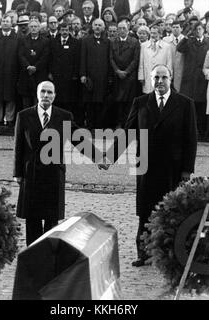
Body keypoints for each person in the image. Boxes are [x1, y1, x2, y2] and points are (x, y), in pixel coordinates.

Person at [99, 65, 197, 267]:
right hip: (146, 166)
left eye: (163, 77)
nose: (160, 81)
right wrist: (109, 157)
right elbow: (127, 133)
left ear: (170, 79)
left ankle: (171, 255)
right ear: (151, 80)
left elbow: (191, 139)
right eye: (156, 78)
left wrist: (187, 169)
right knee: (145, 211)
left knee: (173, 211)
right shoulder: (141, 102)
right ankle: (144, 254)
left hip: (174, 168)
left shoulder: (185, 104)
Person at [13, 81, 100, 245]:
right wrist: (17, 173)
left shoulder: (64, 116)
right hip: (31, 174)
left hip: (53, 175)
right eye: (43, 92)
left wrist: (98, 157)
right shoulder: (24, 116)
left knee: (51, 220)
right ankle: (33, 253)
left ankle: (49, 254)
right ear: (37, 94)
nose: (46, 95)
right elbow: (19, 146)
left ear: (55, 95)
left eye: (50, 92)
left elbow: (79, 140)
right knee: (32, 220)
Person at [177, 21, 209, 138]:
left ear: (203, 30)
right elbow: (179, 48)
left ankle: (202, 130)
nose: (198, 31)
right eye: (196, 29)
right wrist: (187, 36)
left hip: (203, 77)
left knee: (202, 105)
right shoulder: (189, 41)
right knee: (189, 105)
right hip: (190, 77)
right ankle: (189, 131)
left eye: (200, 29)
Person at [0, 14, 19, 128]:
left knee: (10, 97)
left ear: (11, 24)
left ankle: (10, 119)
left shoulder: (17, 37)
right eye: (3, 21)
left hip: (12, 72)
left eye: (7, 21)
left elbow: (19, 56)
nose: (5, 23)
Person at [80, 18, 110, 129]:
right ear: (92, 27)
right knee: (89, 103)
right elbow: (82, 58)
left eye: (100, 25)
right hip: (89, 77)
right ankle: (89, 125)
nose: (97, 27)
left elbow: (108, 59)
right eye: (95, 25)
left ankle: (99, 126)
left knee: (100, 102)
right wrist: (82, 74)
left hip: (102, 77)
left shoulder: (107, 42)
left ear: (103, 28)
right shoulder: (86, 40)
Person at [110, 20, 140, 128]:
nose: (122, 30)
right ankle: (119, 123)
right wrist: (117, 71)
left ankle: (127, 125)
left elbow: (135, 60)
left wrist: (126, 72)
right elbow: (111, 58)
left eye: (124, 28)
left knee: (128, 102)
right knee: (118, 102)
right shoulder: (113, 41)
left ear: (128, 29)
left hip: (129, 77)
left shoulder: (134, 42)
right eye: (120, 28)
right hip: (117, 76)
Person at [48, 22, 80, 113]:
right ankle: (57, 125)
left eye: (66, 30)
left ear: (69, 30)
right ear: (59, 31)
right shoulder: (53, 42)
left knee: (68, 103)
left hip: (69, 78)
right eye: (62, 30)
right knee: (57, 102)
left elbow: (77, 60)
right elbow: (50, 58)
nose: (65, 32)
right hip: (56, 77)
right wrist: (50, 72)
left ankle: (67, 126)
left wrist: (75, 74)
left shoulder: (75, 43)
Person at [17, 20, 50, 108]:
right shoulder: (23, 40)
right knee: (26, 102)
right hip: (26, 74)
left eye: (35, 26)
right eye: (31, 26)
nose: (33, 28)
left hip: (39, 74)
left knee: (38, 100)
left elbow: (45, 56)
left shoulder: (45, 41)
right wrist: (28, 66)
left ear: (39, 28)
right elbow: (21, 55)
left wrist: (36, 67)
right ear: (29, 28)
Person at [138, 25, 172, 94]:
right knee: (148, 96)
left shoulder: (167, 47)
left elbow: (169, 63)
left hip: (161, 77)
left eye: (155, 33)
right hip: (148, 76)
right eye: (151, 33)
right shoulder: (144, 46)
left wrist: (168, 78)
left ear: (160, 34)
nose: (153, 35)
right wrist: (141, 77)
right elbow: (141, 63)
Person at [163, 20, 185, 92]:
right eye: (173, 27)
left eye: (177, 27)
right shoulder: (165, 40)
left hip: (181, 68)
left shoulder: (185, 40)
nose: (175, 29)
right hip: (169, 67)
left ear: (181, 28)